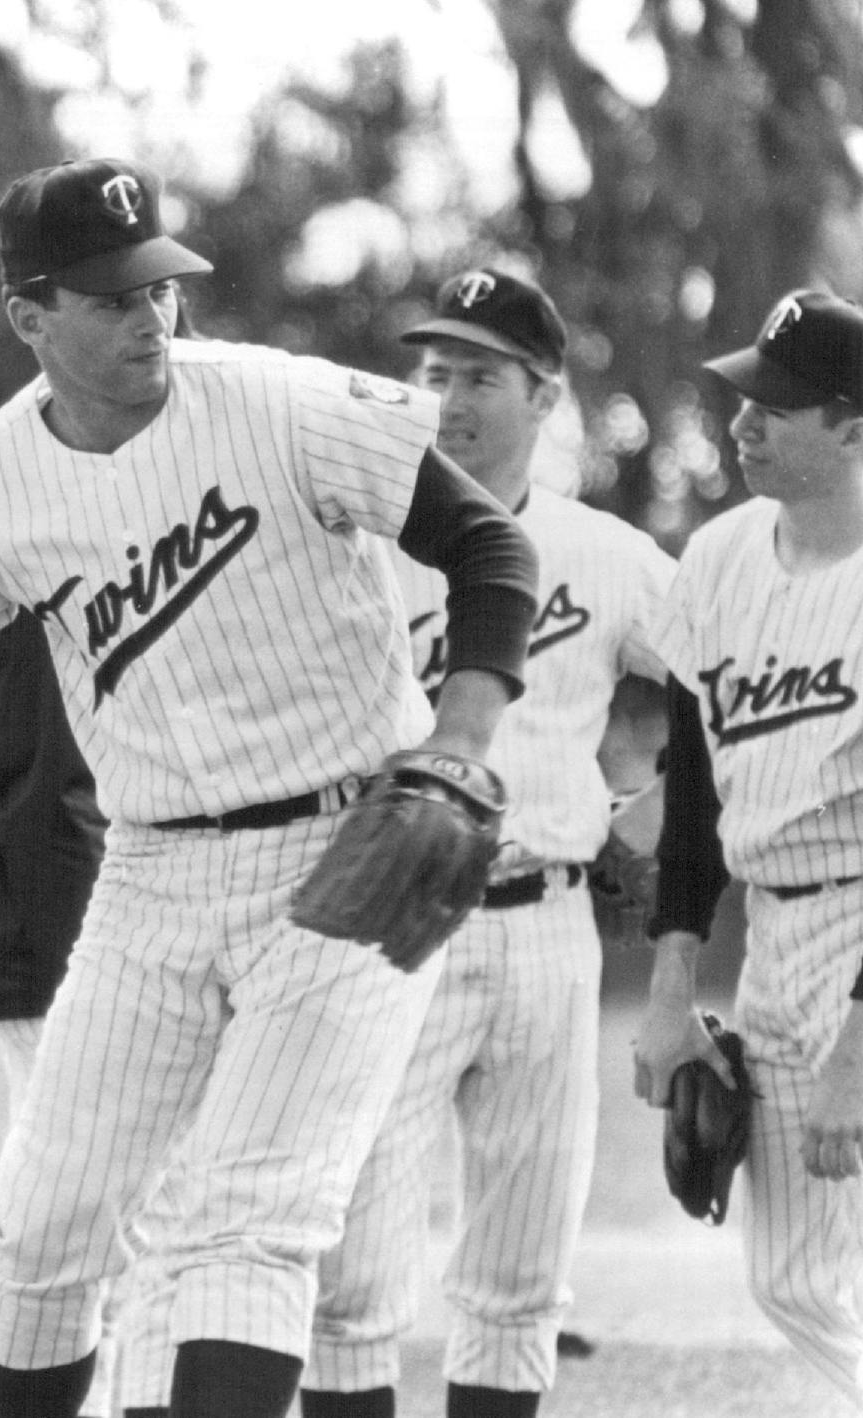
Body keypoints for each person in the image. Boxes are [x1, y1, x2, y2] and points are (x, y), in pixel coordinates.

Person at [0, 156, 538, 1418]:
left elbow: (490, 546)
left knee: (245, 1223)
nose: (151, 316)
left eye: (159, 287)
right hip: (152, 869)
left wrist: (461, 743)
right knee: (37, 1233)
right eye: (112, 298)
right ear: (30, 316)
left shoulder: (280, 405)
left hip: (345, 849)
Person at [113, 269, 675, 1418]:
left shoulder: (608, 553)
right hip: (385, 922)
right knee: (351, 1279)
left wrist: (660, 801)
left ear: (547, 394)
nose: (449, 397)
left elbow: (729, 683)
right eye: (434, 371)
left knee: (520, 1278)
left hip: (549, 922)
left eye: (480, 375)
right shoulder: (360, 539)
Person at [632, 287, 863, 1410]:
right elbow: (691, 800)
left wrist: (856, 1053)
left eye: (775, 407)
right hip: (776, 935)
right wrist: (671, 986)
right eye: (743, 399)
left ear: (853, 427)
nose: (741, 424)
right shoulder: (718, 559)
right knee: (791, 1279)